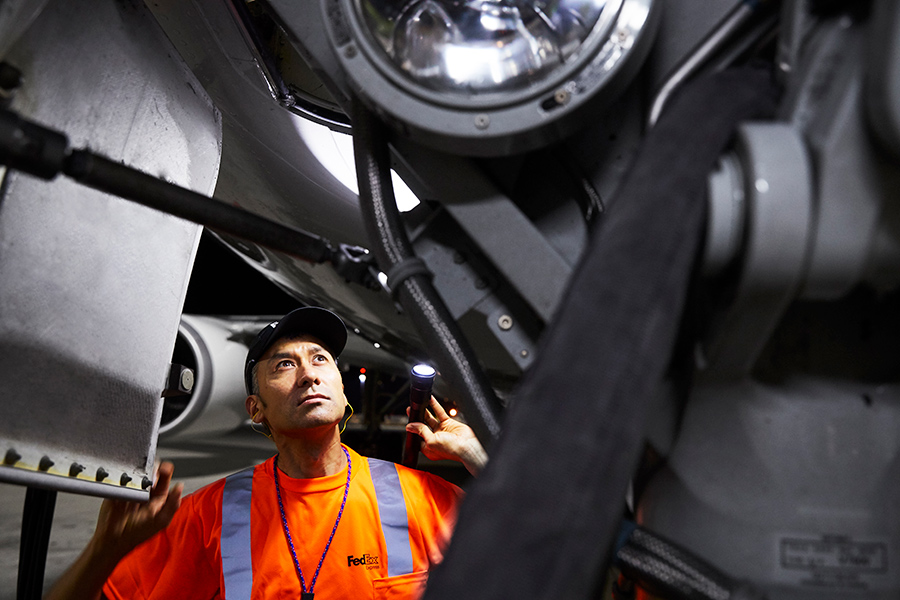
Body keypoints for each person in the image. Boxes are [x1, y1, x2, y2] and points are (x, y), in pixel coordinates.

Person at [46, 307, 487, 600]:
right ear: (256, 408)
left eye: (320, 360)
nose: (309, 375)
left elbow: (547, 559)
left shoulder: (425, 499)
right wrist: (102, 551)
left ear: (340, 387)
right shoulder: (207, 518)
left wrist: (481, 460)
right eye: (284, 365)